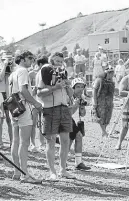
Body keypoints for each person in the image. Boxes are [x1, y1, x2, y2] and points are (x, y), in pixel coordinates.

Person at [36, 52, 75, 181]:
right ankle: (52, 172)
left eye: (60, 61)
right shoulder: (44, 72)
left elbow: (70, 94)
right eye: (56, 60)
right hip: (50, 109)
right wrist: (55, 87)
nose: (58, 63)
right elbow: (39, 93)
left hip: (64, 108)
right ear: (51, 60)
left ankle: (63, 169)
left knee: (65, 140)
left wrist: (68, 86)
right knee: (50, 141)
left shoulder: (62, 73)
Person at [9, 51, 42, 183]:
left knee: (15, 141)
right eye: (30, 58)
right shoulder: (23, 71)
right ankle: (25, 174)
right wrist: (35, 103)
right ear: (22, 59)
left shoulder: (12, 73)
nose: (31, 61)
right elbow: (23, 90)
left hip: (13, 107)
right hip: (24, 106)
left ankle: (17, 172)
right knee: (24, 142)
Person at [69, 78, 91, 170]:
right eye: (78, 86)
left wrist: (81, 107)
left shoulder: (80, 97)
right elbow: (69, 113)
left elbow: (83, 114)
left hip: (69, 120)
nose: (80, 89)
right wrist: (75, 105)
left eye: (82, 87)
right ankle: (64, 163)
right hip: (63, 119)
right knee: (68, 141)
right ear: (73, 88)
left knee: (77, 136)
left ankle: (78, 162)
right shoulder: (68, 96)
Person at [29, 55, 48, 152]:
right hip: (41, 102)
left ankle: (35, 144)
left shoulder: (34, 74)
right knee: (40, 124)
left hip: (36, 101)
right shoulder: (35, 74)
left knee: (36, 124)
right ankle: (40, 144)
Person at [92, 66, 115, 137]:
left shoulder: (112, 82)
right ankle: (104, 132)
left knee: (107, 117)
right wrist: (95, 102)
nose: (112, 75)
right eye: (111, 74)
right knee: (101, 117)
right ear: (107, 73)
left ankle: (104, 131)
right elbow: (94, 91)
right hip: (100, 101)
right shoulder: (99, 80)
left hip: (109, 102)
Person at [0, 51, 13, 148]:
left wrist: (11, 68)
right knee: (1, 119)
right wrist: (4, 66)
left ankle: (12, 142)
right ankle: (0, 142)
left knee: (10, 119)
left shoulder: (12, 68)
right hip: (1, 94)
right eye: (5, 59)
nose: (7, 61)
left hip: (9, 94)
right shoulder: (2, 67)